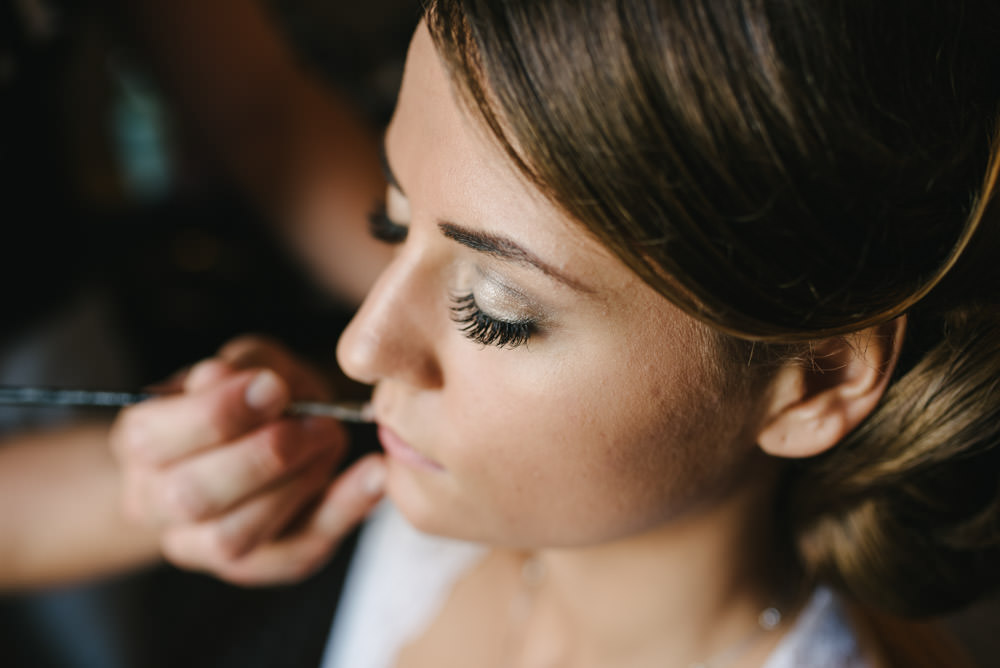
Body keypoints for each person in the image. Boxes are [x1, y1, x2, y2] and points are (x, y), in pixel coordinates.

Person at [110, 1, 1000, 666]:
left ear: (816, 379)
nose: (360, 348)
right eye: (391, 225)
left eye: (494, 308)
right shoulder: (429, 514)